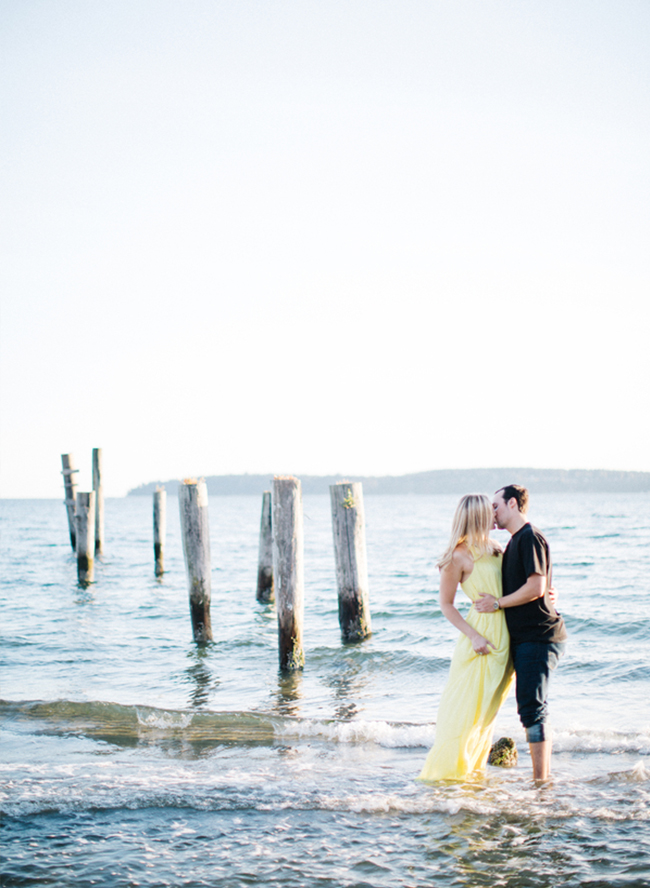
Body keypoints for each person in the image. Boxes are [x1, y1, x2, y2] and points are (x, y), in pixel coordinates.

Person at [418, 494, 514, 781]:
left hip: (506, 639)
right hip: (480, 641)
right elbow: (446, 604)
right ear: (477, 517)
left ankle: (473, 773)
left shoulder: (497, 548)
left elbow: (515, 588)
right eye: (490, 511)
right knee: (465, 712)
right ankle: (449, 776)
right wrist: (473, 636)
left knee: (488, 714)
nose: (495, 514)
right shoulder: (457, 556)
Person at [475, 484, 567, 781]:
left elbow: (536, 587)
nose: (493, 511)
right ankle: (540, 781)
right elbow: (539, 587)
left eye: (496, 506)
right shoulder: (515, 542)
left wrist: (497, 604)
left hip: (539, 636)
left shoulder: (529, 536)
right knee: (527, 706)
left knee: (532, 707)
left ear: (512, 504)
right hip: (525, 637)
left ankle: (541, 784)